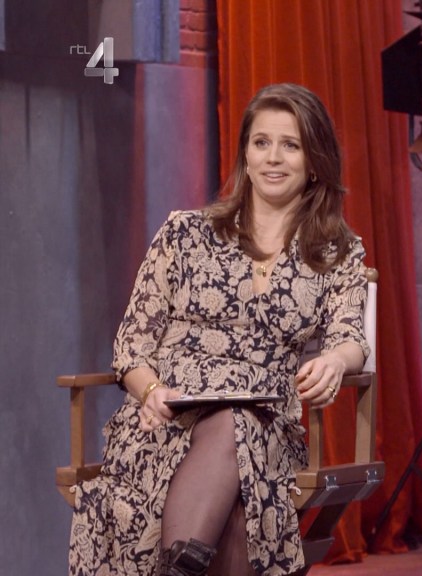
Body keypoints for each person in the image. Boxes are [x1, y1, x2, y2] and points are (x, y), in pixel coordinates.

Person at [69, 83, 369, 576]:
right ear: (245, 154)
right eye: (261, 142)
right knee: (242, 504)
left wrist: (336, 361)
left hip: (266, 423)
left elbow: (350, 336)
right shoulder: (184, 233)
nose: (273, 158)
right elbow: (131, 345)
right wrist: (151, 393)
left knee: (238, 421)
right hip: (169, 421)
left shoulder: (336, 251)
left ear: (314, 161)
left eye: (290, 145)